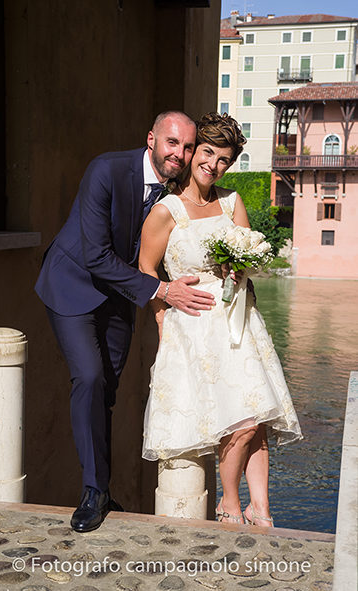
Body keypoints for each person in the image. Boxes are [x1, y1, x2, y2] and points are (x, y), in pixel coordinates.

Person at [35, 111, 216, 533]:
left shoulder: (176, 187)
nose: (181, 154)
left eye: (188, 147)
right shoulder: (106, 170)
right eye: (173, 143)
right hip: (73, 285)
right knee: (90, 377)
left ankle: (103, 487)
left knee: (108, 392)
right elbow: (97, 255)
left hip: (119, 295)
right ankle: (94, 492)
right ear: (151, 139)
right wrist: (163, 291)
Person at [139, 112, 302, 526]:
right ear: (193, 153)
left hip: (238, 321)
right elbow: (146, 269)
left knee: (257, 416)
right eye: (207, 153)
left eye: (224, 159)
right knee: (238, 421)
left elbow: (246, 254)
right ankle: (229, 501)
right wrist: (162, 326)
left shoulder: (232, 202)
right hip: (192, 327)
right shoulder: (166, 211)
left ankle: (261, 508)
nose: (213, 165)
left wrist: (239, 269)